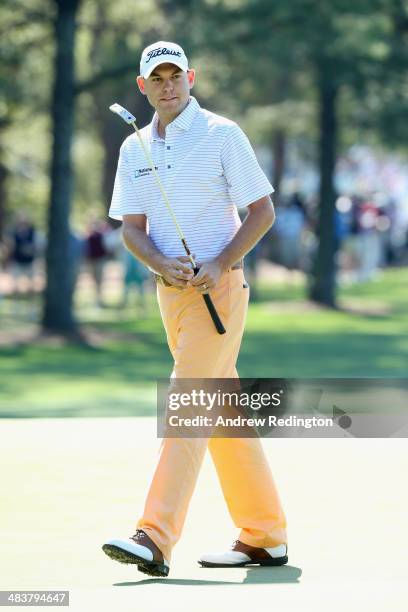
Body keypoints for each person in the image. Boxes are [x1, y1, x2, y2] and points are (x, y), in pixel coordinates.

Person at [102, 41, 288, 577]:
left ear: (192, 78)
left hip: (219, 292)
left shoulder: (222, 134)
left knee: (188, 403)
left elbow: (261, 211)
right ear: (143, 86)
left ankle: (154, 536)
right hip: (171, 294)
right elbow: (131, 231)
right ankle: (264, 535)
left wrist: (221, 261)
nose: (167, 85)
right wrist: (161, 263)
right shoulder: (134, 149)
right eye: (156, 78)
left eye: (175, 75)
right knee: (220, 411)